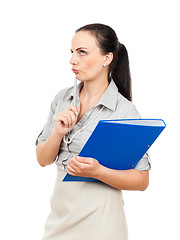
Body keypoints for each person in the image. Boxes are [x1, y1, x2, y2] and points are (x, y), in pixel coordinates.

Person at [35, 23, 151, 240]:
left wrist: (98, 172)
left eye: (82, 52)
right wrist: (58, 133)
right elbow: (42, 159)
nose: (72, 60)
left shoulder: (124, 111)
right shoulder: (62, 99)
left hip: (102, 222)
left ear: (107, 58)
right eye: (72, 52)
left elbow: (142, 180)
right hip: (60, 218)